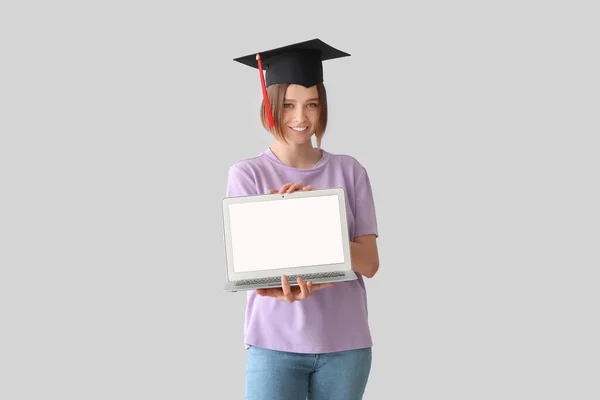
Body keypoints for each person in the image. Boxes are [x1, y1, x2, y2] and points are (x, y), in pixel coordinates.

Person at [227, 38, 380, 400]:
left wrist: (316, 225)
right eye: (289, 105)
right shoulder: (247, 174)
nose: (301, 118)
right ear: (270, 106)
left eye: (311, 104)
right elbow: (251, 276)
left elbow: (370, 263)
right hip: (273, 344)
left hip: (346, 345)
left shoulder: (349, 170)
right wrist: (282, 288)